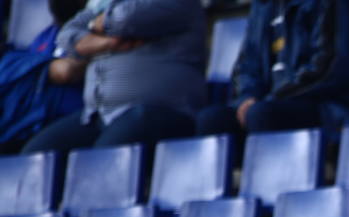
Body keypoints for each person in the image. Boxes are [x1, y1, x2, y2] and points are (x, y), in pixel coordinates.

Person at [21, 0, 204, 152]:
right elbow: (67, 35)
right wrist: (108, 42)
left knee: (103, 160)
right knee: (36, 154)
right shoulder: (107, 3)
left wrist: (93, 29)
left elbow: (126, 19)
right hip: (97, 114)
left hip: (158, 110)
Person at [194, 0, 349, 136]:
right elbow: (246, 64)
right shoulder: (262, 5)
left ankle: (273, 182)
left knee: (261, 114)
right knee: (212, 120)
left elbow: (330, 67)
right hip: (271, 104)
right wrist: (248, 97)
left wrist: (273, 97)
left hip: (329, 106)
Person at [0, 0, 85, 153]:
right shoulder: (43, 38)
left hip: (71, 115)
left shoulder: (94, 29)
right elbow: (63, 71)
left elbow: (66, 71)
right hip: (28, 127)